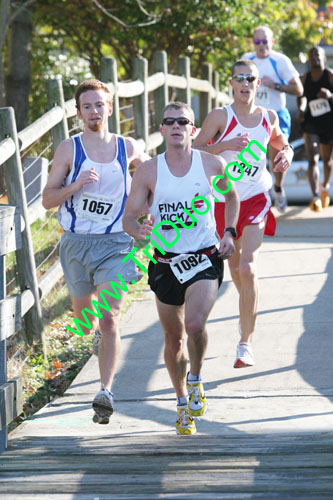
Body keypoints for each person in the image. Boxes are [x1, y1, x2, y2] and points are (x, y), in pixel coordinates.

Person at [123, 102, 239, 435]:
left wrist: (229, 232)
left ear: (193, 128)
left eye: (182, 121)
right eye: (169, 121)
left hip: (203, 256)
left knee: (195, 323)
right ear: (161, 130)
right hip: (165, 262)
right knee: (173, 339)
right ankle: (180, 403)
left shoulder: (212, 164)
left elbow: (232, 198)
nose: (176, 126)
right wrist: (138, 230)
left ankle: (197, 378)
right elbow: (130, 216)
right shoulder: (148, 171)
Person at [42, 79, 149, 424]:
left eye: (99, 105)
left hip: (116, 243)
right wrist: (76, 184)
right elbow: (47, 199)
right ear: (78, 112)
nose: (94, 111)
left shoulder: (127, 147)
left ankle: (105, 390)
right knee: (85, 317)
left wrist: (146, 212)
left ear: (110, 108)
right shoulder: (68, 150)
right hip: (76, 244)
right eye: (87, 106)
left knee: (109, 316)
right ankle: (97, 341)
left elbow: (154, 178)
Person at [192, 59, 294, 369]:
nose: (245, 83)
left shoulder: (268, 117)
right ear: (232, 83)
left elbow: (281, 144)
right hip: (224, 201)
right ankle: (246, 307)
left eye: (251, 78)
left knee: (248, 267)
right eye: (240, 78)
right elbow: (193, 149)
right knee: (235, 269)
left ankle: (245, 343)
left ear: (258, 83)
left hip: (256, 199)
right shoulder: (220, 116)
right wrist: (225, 145)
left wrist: (285, 156)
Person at [243, 25, 303, 213]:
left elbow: (298, 89)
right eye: (257, 42)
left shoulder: (280, 61)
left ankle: (278, 187)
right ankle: (260, 194)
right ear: (253, 43)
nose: (261, 46)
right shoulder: (247, 60)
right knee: (252, 156)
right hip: (254, 116)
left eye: (265, 41)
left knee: (277, 154)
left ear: (272, 41)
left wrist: (275, 85)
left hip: (277, 114)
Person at [298, 45, 333, 211]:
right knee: (312, 159)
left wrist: (330, 95)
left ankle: (325, 185)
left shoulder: (330, 76)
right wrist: (300, 109)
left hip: (329, 123)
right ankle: (315, 197)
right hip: (311, 123)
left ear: (323, 58)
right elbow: (300, 97)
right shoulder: (304, 79)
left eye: (318, 55)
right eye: (311, 55)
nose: (315, 58)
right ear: (308, 59)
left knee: (327, 160)